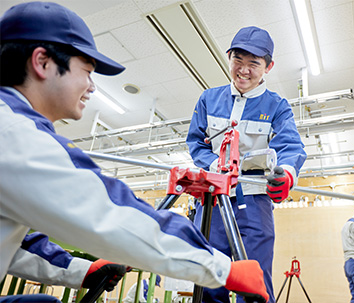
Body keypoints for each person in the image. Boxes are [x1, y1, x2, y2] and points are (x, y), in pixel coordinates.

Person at [0, 2, 269, 303]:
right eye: (87, 72)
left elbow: (14, 243)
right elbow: (104, 208)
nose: (90, 87)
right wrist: (220, 267)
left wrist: (81, 271)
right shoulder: (15, 133)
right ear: (43, 62)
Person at [186, 26, 307, 302]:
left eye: (254, 63)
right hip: (213, 201)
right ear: (228, 57)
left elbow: (290, 145)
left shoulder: (277, 106)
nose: (244, 70)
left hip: (254, 200)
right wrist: (214, 164)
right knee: (208, 278)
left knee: (254, 281)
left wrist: (286, 174)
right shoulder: (208, 99)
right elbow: (196, 142)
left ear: (268, 66)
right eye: (238, 60)